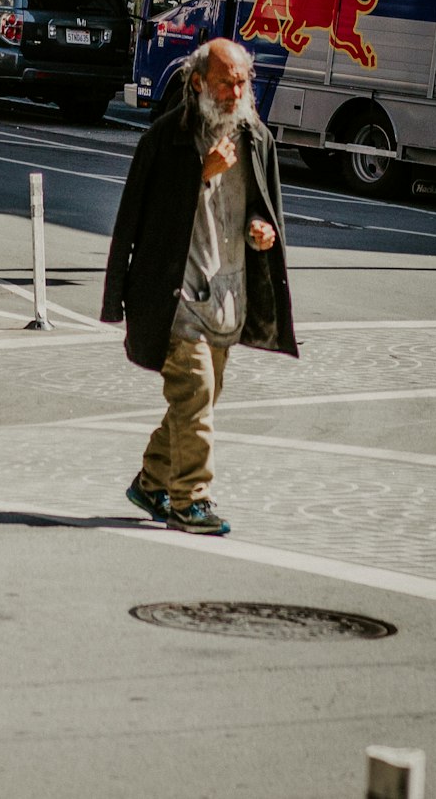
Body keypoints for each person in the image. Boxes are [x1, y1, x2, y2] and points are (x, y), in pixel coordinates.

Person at [101, 38, 297, 535]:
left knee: (198, 402)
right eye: (226, 82)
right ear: (197, 83)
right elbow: (137, 219)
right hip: (176, 296)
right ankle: (191, 501)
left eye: (242, 82)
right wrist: (199, 172)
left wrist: (263, 229)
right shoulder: (166, 139)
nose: (236, 91)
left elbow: (265, 206)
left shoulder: (256, 138)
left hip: (227, 294)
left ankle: (150, 482)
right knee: (195, 393)